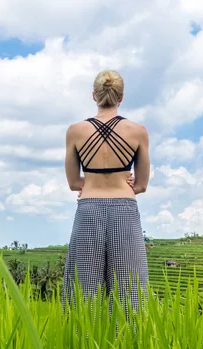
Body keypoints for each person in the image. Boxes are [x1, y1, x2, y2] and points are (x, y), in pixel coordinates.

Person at [61, 69, 151, 318]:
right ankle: (130, 348)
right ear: (121, 97)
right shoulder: (138, 131)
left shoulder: (75, 131)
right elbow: (142, 184)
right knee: (130, 291)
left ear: (94, 96)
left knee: (82, 292)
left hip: (88, 208)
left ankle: (81, 347)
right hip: (125, 209)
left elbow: (73, 183)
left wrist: (90, 181)